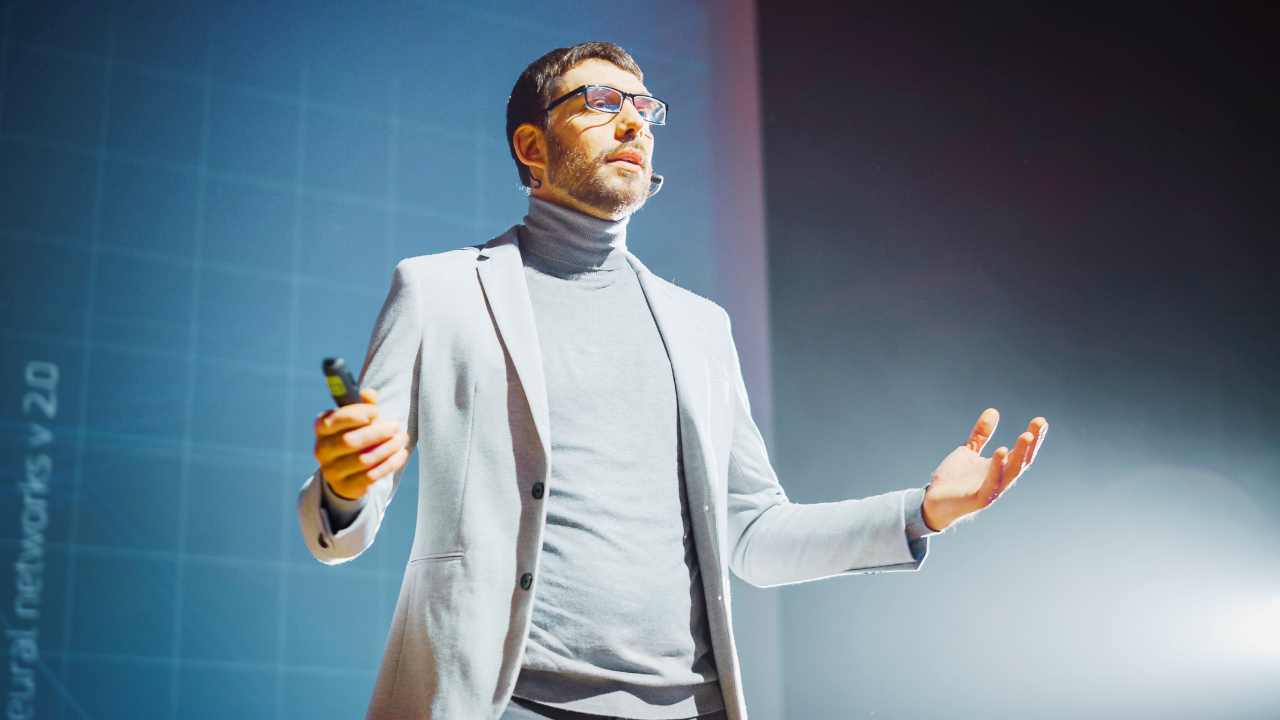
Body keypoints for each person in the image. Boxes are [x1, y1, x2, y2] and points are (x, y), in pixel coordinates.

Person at [297, 42, 1048, 720]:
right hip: (501, 702)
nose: (633, 122)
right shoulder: (440, 290)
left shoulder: (699, 326)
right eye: (600, 103)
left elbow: (753, 534)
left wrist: (920, 513)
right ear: (531, 147)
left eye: (645, 107)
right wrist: (344, 484)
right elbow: (345, 525)